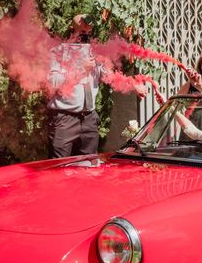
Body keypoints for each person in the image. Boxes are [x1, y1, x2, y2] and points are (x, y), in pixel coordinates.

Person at [47, 14, 146, 158]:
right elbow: (52, 82)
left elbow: (109, 77)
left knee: (89, 167)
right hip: (64, 120)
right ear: (71, 29)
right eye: (83, 31)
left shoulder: (95, 52)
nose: (87, 32)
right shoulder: (59, 52)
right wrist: (81, 68)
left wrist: (132, 85)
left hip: (89, 119)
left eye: (89, 31)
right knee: (59, 168)